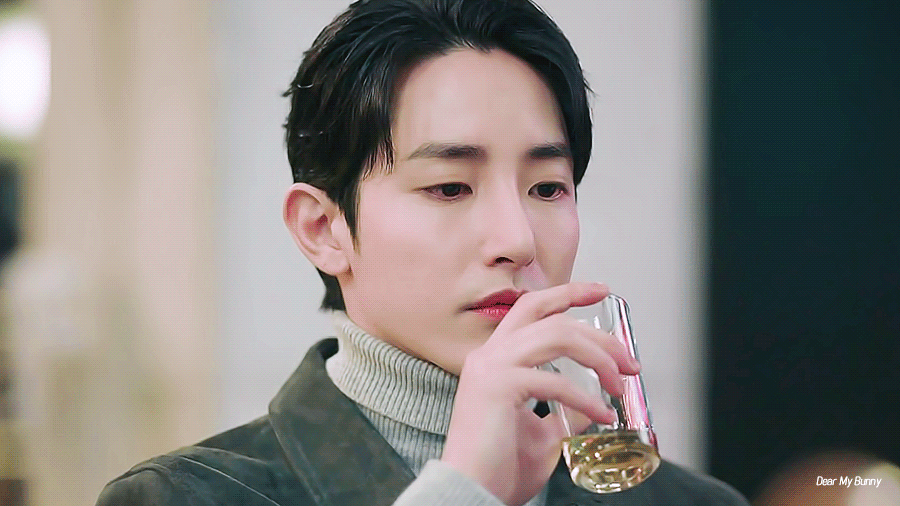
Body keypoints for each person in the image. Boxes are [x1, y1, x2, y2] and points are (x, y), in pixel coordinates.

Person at [96, 0, 750, 504]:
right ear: (323, 228)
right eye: (450, 187)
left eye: (548, 188)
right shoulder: (185, 497)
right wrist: (462, 489)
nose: (517, 240)